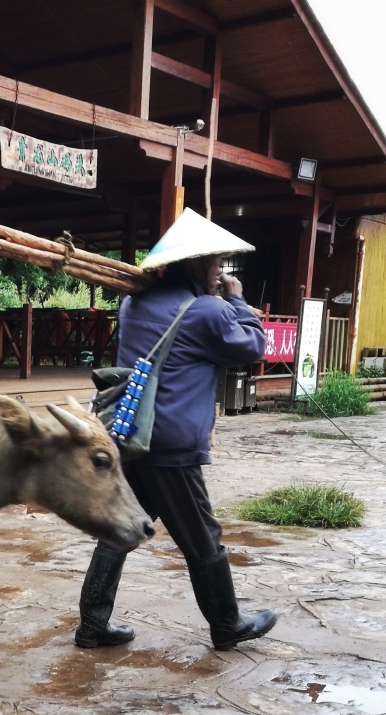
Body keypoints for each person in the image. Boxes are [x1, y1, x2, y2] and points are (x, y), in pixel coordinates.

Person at [75, 208, 277, 652]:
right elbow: (255, 346)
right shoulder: (208, 312)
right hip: (173, 448)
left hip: (134, 437)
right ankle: (226, 624)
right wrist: (237, 299)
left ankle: (93, 623)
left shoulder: (133, 303)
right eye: (215, 263)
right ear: (195, 264)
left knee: (123, 528)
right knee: (203, 537)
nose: (220, 271)